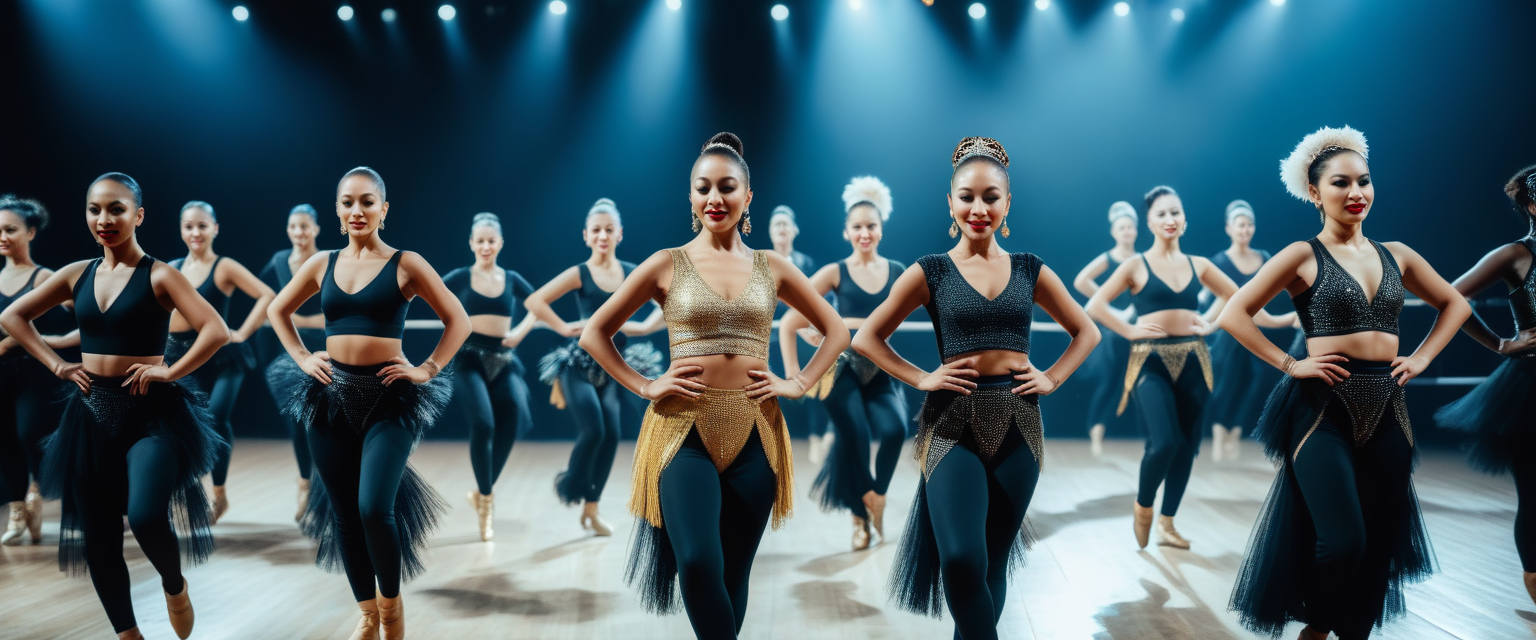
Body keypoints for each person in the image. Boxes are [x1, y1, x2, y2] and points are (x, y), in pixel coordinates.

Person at [581, 132, 847, 638]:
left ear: (748, 197)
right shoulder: (666, 263)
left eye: (727, 187)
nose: (714, 198)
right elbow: (596, 333)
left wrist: (798, 383)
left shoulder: (774, 266)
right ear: (690, 197)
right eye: (703, 188)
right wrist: (645, 385)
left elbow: (836, 331)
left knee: (732, 573)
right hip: (682, 430)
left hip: (757, 432)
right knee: (699, 564)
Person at [1224, 126, 1470, 640]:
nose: (1357, 193)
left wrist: (1422, 357)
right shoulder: (1301, 255)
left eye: (1364, 181)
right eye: (1341, 183)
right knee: (1344, 541)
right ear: (1315, 192)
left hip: (1388, 404)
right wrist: (1291, 366)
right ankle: (1315, 629)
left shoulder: (1397, 254)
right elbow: (1234, 314)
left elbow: (1456, 304)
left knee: (1379, 541)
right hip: (1321, 406)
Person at [855, 136, 1099, 640]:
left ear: (1008, 203)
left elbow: (1088, 331)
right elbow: (865, 338)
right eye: (967, 196)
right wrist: (922, 376)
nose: (979, 207)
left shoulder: (1029, 268)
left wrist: (1052, 377)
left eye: (991, 197)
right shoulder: (932, 271)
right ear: (950, 202)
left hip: (1020, 424)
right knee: (962, 560)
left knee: (991, 561)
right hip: (951, 424)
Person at [0, 173, 230, 640]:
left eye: (116, 209)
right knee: (99, 538)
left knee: (145, 515)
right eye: (94, 210)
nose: (104, 219)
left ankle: (173, 583)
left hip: (153, 414)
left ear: (138, 215)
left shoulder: (160, 274)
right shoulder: (75, 274)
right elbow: (12, 316)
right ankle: (129, 636)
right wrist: (57, 366)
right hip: (89, 415)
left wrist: (169, 370)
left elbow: (216, 330)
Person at [266, 167, 470, 640]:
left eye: (366, 201)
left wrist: (427, 369)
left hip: (389, 399)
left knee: (373, 508)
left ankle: (392, 608)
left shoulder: (406, 263)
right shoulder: (321, 263)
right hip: (330, 397)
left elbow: (457, 320)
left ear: (384, 208)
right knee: (342, 514)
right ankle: (366, 613)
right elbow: (279, 310)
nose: (356, 210)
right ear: (337, 211)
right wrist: (300, 355)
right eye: (347, 202)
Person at [1087, 185, 1285, 550]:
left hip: (1195, 360)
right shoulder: (1135, 265)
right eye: (1161, 214)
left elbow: (1238, 297)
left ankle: (1168, 522)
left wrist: (1211, 324)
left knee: (1187, 446)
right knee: (1163, 442)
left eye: (1175, 212)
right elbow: (1094, 306)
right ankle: (1144, 506)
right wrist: (1130, 329)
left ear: (1185, 220)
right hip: (1149, 361)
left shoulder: (1200, 265)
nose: (1169, 219)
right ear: (1149, 221)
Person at [780, 176, 907, 550]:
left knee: (896, 429)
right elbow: (789, 321)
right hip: (843, 371)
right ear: (846, 232)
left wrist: (841, 325)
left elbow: (891, 320)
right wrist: (794, 377)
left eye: (871, 226)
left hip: (881, 369)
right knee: (854, 437)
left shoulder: (899, 272)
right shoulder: (836, 272)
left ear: (880, 230)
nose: (864, 233)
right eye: (857, 227)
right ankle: (858, 518)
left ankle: (875, 497)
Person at [527, 198, 665, 537]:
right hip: (580, 364)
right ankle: (573, 481)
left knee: (613, 433)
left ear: (619, 234)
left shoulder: (633, 273)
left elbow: (671, 299)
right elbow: (535, 301)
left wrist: (643, 328)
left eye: (609, 230)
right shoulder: (581, 273)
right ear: (586, 236)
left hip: (615, 365)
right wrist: (563, 327)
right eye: (596, 230)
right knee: (594, 430)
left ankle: (592, 508)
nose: (602, 235)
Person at [1434, 164, 1536, 603]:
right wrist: (1499, 344)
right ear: (1531, 205)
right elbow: (1450, 296)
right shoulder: (1516, 255)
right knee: (1535, 495)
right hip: (1529, 392)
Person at [165, 200, 275, 524]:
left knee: (215, 418)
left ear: (215, 228)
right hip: (181, 354)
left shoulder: (224, 266)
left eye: (202, 225)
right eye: (188, 226)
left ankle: (218, 491)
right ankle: (181, 489)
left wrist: (242, 332)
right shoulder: (172, 267)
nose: (195, 232)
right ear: (181, 230)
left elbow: (266, 295)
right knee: (184, 424)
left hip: (222, 356)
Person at [442, 212, 539, 541]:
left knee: (514, 418)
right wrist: (455, 324)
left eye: (490, 241)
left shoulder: (510, 278)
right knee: (483, 424)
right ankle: (487, 502)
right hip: (469, 357)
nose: (485, 246)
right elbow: (432, 295)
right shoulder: (459, 276)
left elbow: (538, 304)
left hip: (503, 357)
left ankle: (482, 491)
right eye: (479, 241)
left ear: (500, 243)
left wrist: (520, 332)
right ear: (471, 243)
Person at [0, 195, 76, 546]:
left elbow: (90, 315)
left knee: (29, 434)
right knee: (5, 441)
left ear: (30, 232)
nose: (3, 236)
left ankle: (37, 489)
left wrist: (58, 340)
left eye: (10, 229)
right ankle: (18, 510)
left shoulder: (46, 277)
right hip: (2, 374)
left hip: (36, 372)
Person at [1200, 200, 1296, 461]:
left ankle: (1237, 429)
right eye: (1240, 225)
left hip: (1255, 327)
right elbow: (1210, 299)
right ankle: (1220, 429)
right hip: (1227, 333)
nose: (1245, 229)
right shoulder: (1218, 262)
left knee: (1260, 379)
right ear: (1229, 228)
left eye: (1249, 224)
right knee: (1227, 382)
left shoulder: (1264, 258)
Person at [257, 204, 326, 521]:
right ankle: (304, 487)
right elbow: (264, 300)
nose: (300, 232)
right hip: (292, 351)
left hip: (326, 349)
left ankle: (326, 492)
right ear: (288, 231)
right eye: (294, 227)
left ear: (316, 229)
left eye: (305, 226)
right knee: (297, 425)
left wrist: (310, 318)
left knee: (322, 424)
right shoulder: (278, 261)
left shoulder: (326, 260)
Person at [1072, 201, 1139, 456]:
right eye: (1121, 228)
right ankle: (1096, 434)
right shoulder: (1109, 258)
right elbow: (1081, 281)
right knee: (1110, 382)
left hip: (1138, 330)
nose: (1126, 232)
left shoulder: (1141, 259)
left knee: (1138, 382)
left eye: (1130, 227)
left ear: (1136, 230)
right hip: (1113, 331)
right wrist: (1110, 308)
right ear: (1114, 232)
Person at [768, 205, 834, 465]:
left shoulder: (807, 264)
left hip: (803, 335)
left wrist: (808, 329)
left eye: (786, 224)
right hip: (771, 338)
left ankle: (819, 435)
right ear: (771, 232)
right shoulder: (760, 260)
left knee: (819, 381)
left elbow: (815, 301)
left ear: (794, 230)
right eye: (777, 225)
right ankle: (771, 442)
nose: (782, 229)